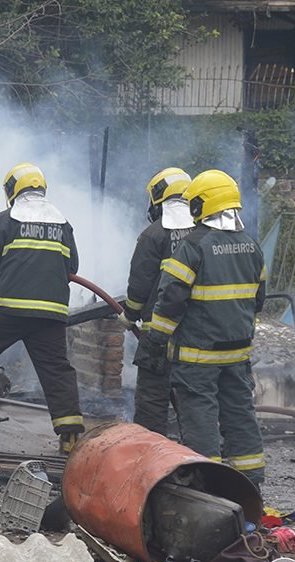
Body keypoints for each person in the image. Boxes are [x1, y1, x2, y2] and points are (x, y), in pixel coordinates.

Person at [138, 169, 267, 490]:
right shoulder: (252, 246)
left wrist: (156, 340)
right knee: (240, 414)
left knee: (201, 416)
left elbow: (170, 301)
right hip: (237, 354)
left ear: (201, 205)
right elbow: (259, 300)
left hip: (198, 357)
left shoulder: (194, 246)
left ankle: (208, 486)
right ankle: (249, 482)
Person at [0, 163, 84, 454]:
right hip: (50, 312)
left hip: (11, 308)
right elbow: (73, 266)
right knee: (56, 369)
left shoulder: (6, 219)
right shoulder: (63, 223)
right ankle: (70, 434)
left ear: (12, 190)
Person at [117, 167, 195, 435]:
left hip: (158, 331)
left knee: (152, 395)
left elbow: (140, 282)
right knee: (196, 395)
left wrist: (130, 314)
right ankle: (202, 452)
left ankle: (150, 453)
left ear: (158, 200)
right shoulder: (207, 233)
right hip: (199, 332)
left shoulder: (154, 234)